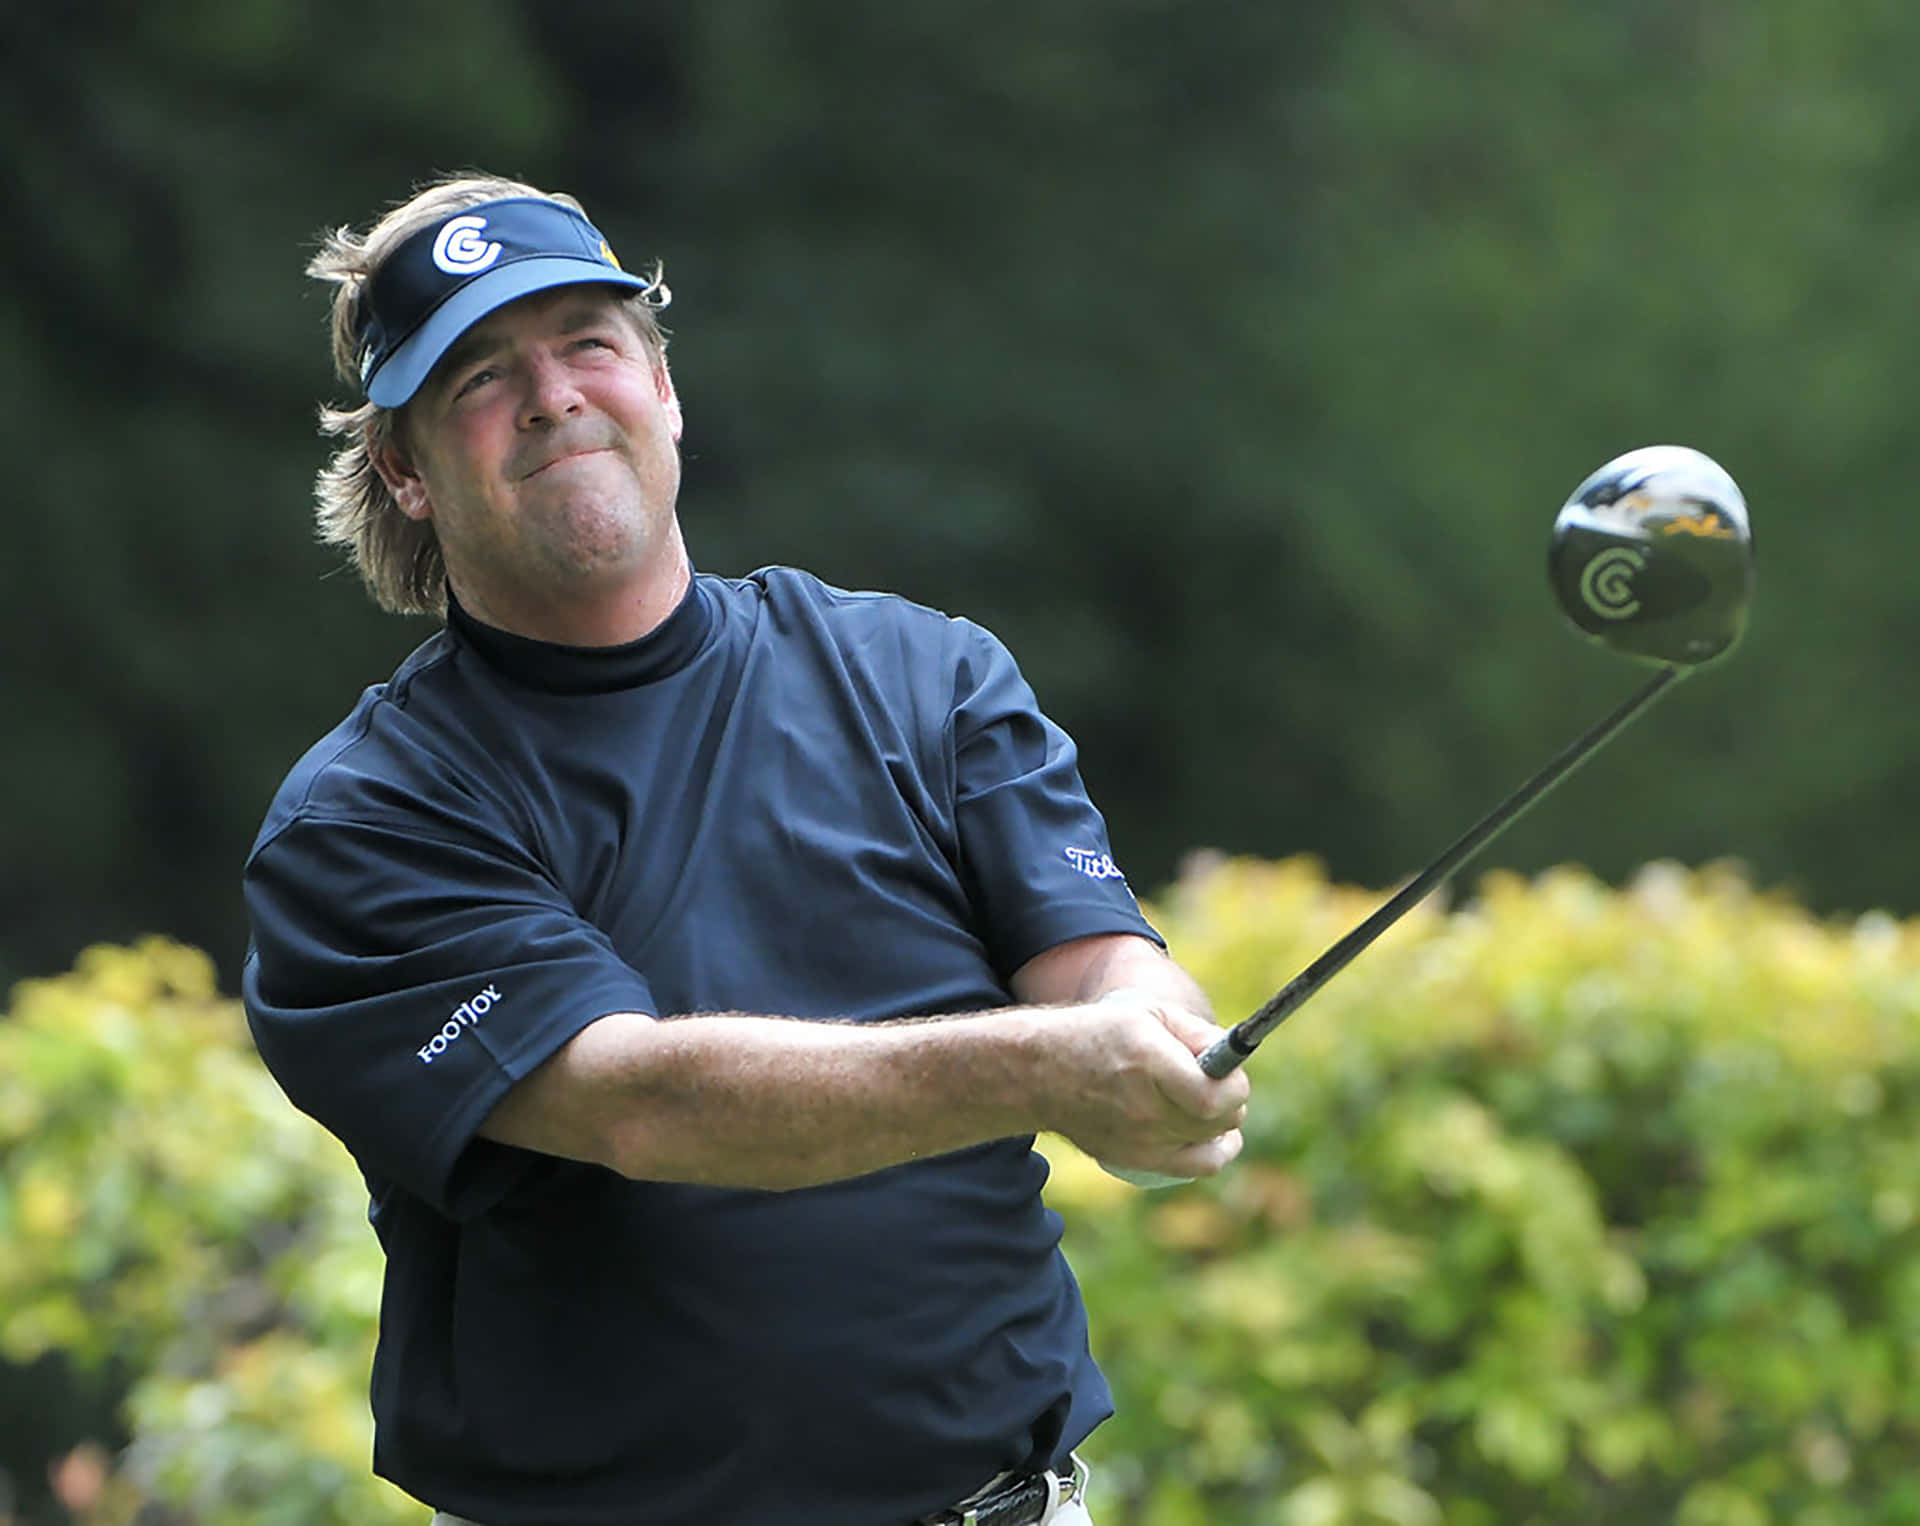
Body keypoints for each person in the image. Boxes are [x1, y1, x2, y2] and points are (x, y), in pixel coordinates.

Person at [241, 172, 1251, 1526]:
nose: (551, 395)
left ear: (663, 388)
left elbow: (1100, 970)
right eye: (481, 374)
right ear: (405, 473)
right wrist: (1054, 1066)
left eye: (588, 342)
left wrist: (1150, 1048)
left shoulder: (926, 676)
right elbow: (642, 1106)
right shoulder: (364, 819)